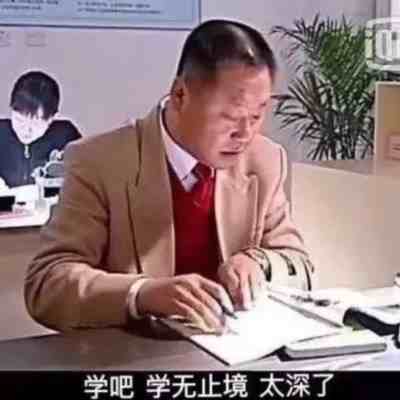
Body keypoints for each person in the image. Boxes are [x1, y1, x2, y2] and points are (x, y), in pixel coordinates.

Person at [25, 20, 314, 334]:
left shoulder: (264, 159)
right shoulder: (100, 161)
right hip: (134, 354)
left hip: (232, 349)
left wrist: (258, 263)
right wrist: (142, 294)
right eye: (230, 116)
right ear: (179, 95)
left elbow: (299, 265)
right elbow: (47, 284)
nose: (245, 134)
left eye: (256, 116)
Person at [0, 70, 81, 188]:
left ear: (52, 118)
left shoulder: (66, 136)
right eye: (19, 120)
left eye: (36, 124)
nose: (26, 130)